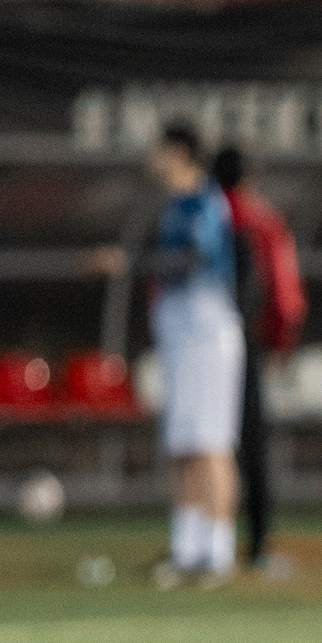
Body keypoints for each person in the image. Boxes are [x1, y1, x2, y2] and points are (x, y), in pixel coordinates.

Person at [93, 122, 242, 587]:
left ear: (177, 152)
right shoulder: (176, 204)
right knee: (182, 443)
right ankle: (186, 548)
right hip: (180, 337)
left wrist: (130, 263)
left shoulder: (203, 201)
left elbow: (193, 259)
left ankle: (217, 551)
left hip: (207, 335)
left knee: (211, 442)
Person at [211, 145, 307, 573]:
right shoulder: (259, 218)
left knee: (206, 444)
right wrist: (280, 342)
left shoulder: (202, 212)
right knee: (251, 446)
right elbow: (284, 294)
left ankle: (206, 540)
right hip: (245, 342)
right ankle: (258, 542)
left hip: (200, 341)